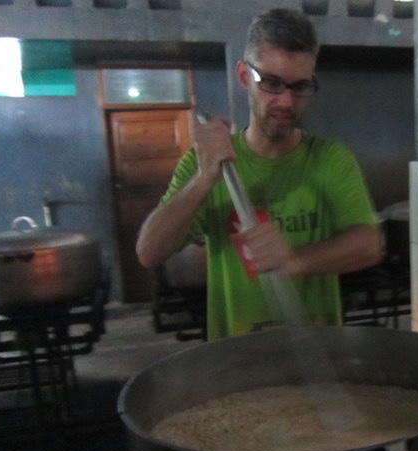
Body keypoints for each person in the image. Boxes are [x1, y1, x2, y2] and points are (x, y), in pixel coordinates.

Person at [136, 8, 382, 339]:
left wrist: (293, 260)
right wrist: (204, 180)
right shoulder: (206, 162)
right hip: (236, 355)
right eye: (271, 83)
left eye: (300, 86)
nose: (286, 101)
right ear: (243, 77)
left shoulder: (330, 159)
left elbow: (368, 244)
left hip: (317, 350)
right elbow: (149, 252)